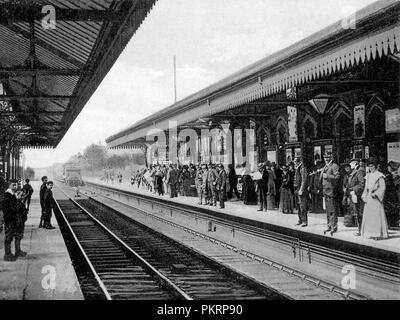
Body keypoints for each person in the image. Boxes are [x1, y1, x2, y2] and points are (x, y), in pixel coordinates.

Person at [361, 158, 388, 240]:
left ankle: (377, 233)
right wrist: (364, 195)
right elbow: (366, 187)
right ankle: (369, 233)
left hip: (375, 198)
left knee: (376, 216)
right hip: (369, 197)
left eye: (372, 166)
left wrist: (376, 194)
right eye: (369, 166)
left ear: (375, 166)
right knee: (369, 215)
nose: (370, 168)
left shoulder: (379, 175)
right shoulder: (368, 175)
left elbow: (383, 187)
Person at [3, 179, 27, 261]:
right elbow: (12, 208)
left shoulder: (13, 195)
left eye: (16, 184)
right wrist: (18, 199)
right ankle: (7, 254)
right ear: (9, 185)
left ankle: (18, 251)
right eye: (13, 184)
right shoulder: (6, 195)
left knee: (18, 235)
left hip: (16, 219)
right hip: (10, 220)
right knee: (9, 237)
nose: (15, 186)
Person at [321, 151, 340, 235]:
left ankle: (334, 226)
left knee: (332, 209)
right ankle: (329, 225)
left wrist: (327, 176)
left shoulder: (334, 166)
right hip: (325, 190)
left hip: (331, 190)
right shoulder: (326, 166)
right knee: (328, 210)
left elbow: (337, 176)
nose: (326, 159)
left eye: (328, 158)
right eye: (325, 158)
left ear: (331, 158)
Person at [345, 158, 366, 235]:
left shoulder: (359, 171)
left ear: (356, 164)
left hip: (359, 195)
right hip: (356, 194)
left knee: (360, 212)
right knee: (358, 212)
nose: (350, 165)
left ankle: (361, 230)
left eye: (351, 164)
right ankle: (360, 229)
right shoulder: (356, 171)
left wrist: (352, 189)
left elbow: (362, 184)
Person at [384, 161, 400, 228]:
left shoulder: (391, 177)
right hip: (392, 197)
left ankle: (393, 223)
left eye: (389, 166)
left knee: (392, 210)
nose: (388, 168)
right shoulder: (393, 176)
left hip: (392, 197)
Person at [294, 156, 309, 227]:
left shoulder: (302, 169)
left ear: (299, 162)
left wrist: (301, 189)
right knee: (299, 205)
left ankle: (304, 221)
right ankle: (300, 220)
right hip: (297, 188)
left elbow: (304, 180)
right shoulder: (298, 168)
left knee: (302, 205)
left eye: (296, 162)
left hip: (300, 189)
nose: (295, 163)